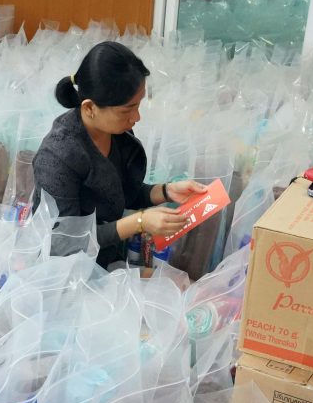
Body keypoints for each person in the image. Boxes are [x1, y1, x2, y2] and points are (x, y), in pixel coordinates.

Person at [33, 42, 207, 269]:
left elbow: (120, 193)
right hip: (66, 272)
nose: (136, 117)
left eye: (138, 105)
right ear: (89, 108)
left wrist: (166, 191)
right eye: (127, 110)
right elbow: (64, 242)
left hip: (105, 261)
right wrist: (139, 222)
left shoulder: (116, 134)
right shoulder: (57, 157)